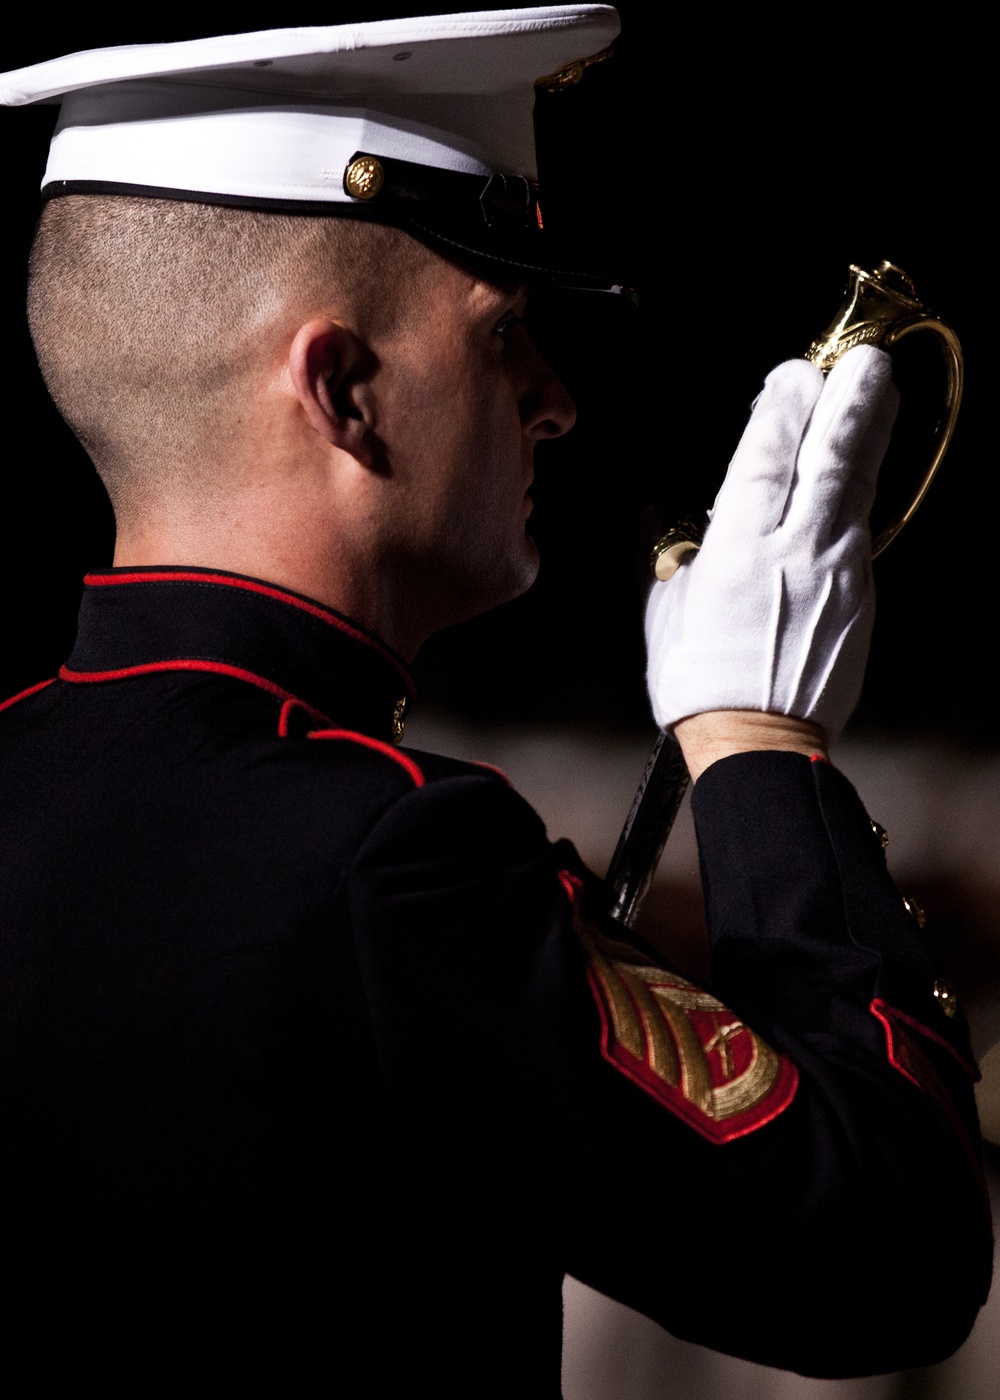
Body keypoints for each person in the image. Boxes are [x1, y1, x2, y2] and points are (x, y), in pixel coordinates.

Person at [0, 10, 991, 1394]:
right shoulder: (390, 860)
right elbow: (889, 1250)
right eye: (505, 331)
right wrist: (762, 754)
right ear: (342, 387)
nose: (554, 400)